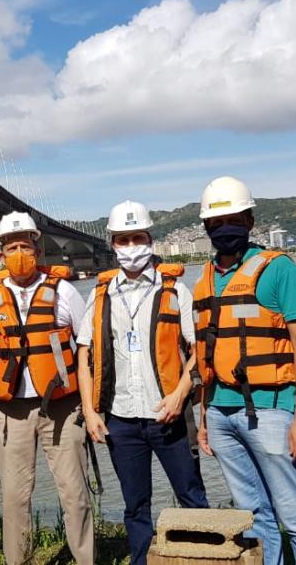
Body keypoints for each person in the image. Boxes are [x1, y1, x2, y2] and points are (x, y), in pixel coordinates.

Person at [191, 176, 296, 565]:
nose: (224, 229)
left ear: (250, 221)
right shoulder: (204, 279)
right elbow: (207, 357)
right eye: (216, 224)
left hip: (271, 409)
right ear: (205, 228)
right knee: (253, 518)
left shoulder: (278, 269)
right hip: (220, 413)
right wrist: (204, 419)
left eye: (233, 219)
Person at [76, 200, 209, 565]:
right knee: (135, 505)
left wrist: (181, 393)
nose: (130, 246)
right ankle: (141, 559)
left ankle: (200, 557)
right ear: (113, 244)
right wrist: (90, 411)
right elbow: (83, 354)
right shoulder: (101, 295)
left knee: (191, 494)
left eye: (137, 237)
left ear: (150, 239)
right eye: (123, 239)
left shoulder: (176, 291)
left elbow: (199, 350)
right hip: (121, 419)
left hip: (168, 416)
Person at [0, 212, 93, 564]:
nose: (18, 253)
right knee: (15, 497)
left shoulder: (65, 292)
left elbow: (85, 346)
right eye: (11, 247)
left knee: (74, 493)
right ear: (0, 253)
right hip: (12, 411)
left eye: (24, 246)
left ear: (37, 248)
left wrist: (89, 406)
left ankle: (85, 558)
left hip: (62, 406)